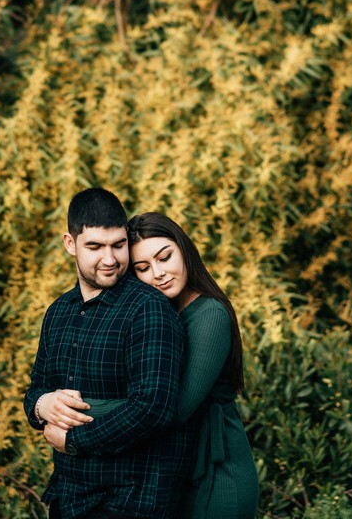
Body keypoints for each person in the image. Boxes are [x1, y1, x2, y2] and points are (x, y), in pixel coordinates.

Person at [24, 189, 189, 519]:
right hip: (67, 498)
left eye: (118, 244)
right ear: (70, 244)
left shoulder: (148, 309)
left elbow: (153, 408)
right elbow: (35, 390)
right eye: (95, 247)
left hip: (129, 501)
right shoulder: (58, 312)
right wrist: (42, 405)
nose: (110, 259)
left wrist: (74, 439)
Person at [82, 212, 259, 519]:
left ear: (184, 250)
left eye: (165, 257)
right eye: (143, 268)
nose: (159, 273)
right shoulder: (159, 316)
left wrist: (80, 407)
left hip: (218, 477)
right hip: (175, 473)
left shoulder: (210, 315)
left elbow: (173, 409)